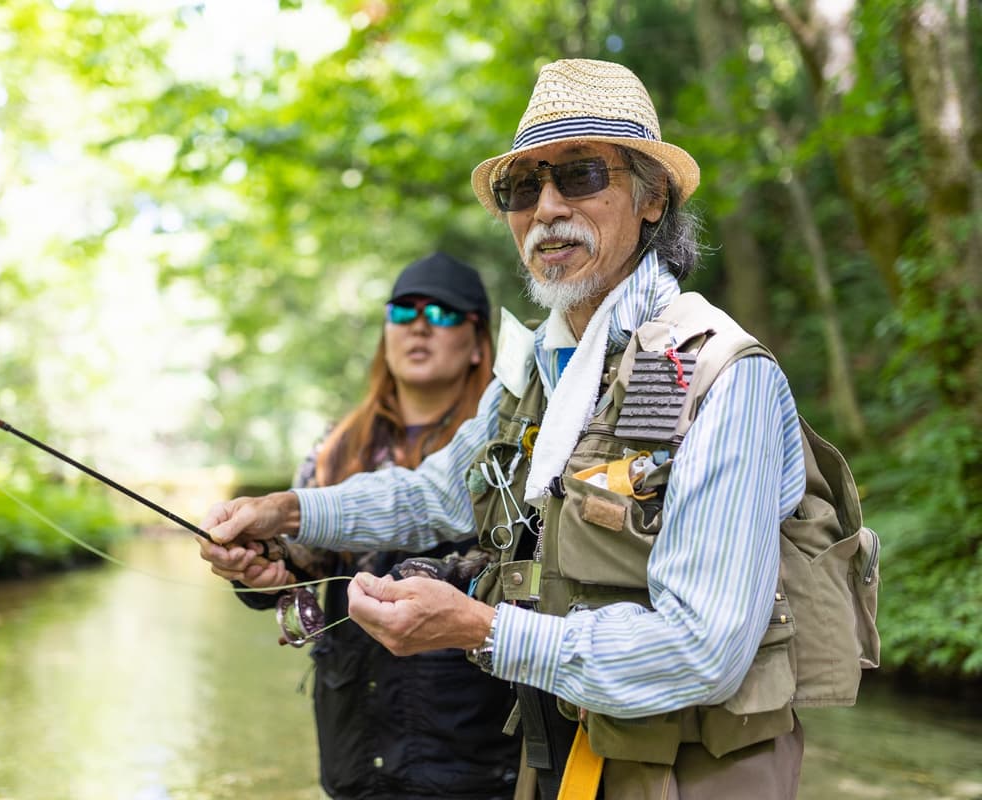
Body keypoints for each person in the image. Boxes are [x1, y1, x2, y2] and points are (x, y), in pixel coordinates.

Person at [202, 60, 864, 800]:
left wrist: (479, 630)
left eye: (579, 175)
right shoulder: (543, 377)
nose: (546, 207)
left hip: (692, 775)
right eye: (523, 188)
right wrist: (289, 511)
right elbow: (437, 495)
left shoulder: (711, 371)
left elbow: (703, 650)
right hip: (555, 760)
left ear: (652, 200)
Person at [199, 253, 521, 799]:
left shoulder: (507, 447)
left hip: (473, 753)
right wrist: (254, 563)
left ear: (477, 342)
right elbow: (299, 563)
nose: (420, 325)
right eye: (403, 311)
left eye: (443, 313)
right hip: (355, 743)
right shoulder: (334, 447)